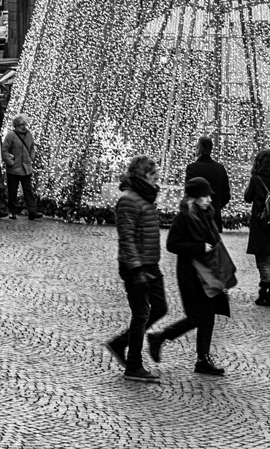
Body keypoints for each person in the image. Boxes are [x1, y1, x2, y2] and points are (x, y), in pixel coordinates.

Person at [148, 176, 234, 376]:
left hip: (209, 273)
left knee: (208, 315)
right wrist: (198, 247)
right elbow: (172, 244)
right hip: (191, 274)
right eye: (205, 196)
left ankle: (202, 359)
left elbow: (215, 242)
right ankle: (160, 337)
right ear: (194, 198)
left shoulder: (207, 214)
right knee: (197, 316)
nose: (209, 200)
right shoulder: (184, 217)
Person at [104, 154, 165, 383]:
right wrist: (137, 269)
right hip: (136, 266)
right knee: (141, 314)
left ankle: (120, 343)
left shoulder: (145, 196)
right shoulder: (128, 199)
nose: (157, 178)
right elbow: (126, 238)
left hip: (150, 263)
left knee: (159, 308)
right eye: (153, 175)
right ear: (142, 175)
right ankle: (134, 365)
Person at [242, 150, 270, 306]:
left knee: (261, 259)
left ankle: (267, 293)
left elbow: (248, 198)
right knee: (266, 256)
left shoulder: (256, 180)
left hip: (260, 224)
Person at [2, 114, 42, 220]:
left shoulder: (29, 135)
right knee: (12, 191)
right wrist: (10, 162)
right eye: (21, 125)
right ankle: (12, 211)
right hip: (14, 169)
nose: (24, 126)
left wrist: (31, 158)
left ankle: (32, 212)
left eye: (25, 124)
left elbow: (32, 147)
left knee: (28, 191)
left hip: (26, 168)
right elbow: (4, 150)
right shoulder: (11, 135)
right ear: (16, 125)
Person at [184, 136, 232, 219]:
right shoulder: (220, 168)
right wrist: (216, 205)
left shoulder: (192, 168)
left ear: (198, 149)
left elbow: (188, 193)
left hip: (196, 216)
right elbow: (226, 195)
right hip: (214, 216)